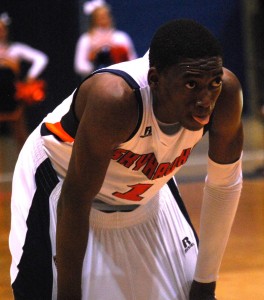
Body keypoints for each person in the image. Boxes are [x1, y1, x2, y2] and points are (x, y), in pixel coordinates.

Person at [9, 19, 243, 300]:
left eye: (213, 81)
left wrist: (206, 284)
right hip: (60, 179)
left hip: (144, 190)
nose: (205, 100)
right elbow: (75, 199)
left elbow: (224, 186)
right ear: (155, 80)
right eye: (192, 84)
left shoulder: (226, 96)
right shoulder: (115, 100)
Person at [74, 0, 137, 77]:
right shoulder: (86, 39)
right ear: (94, 19)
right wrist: (96, 67)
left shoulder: (121, 37)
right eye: (100, 17)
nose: (103, 19)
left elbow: (133, 60)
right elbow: (80, 65)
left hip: (119, 78)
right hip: (94, 80)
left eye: (105, 16)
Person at [0, 12, 48, 112]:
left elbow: (41, 58)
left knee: (17, 122)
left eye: (3, 30)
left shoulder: (16, 49)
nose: (1, 33)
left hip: (12, 97)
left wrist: (30, 77)